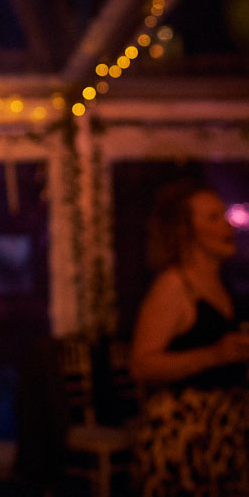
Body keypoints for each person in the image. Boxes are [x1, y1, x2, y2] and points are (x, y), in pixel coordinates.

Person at [128, 179, 249, 496]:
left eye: (224, 215)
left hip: (225, 431)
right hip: (183, 433)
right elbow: (141, 366)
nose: (226, 226)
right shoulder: (174, 286)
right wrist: (215, 354)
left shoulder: (226, 284)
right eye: (212, 218)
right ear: (185, 230)